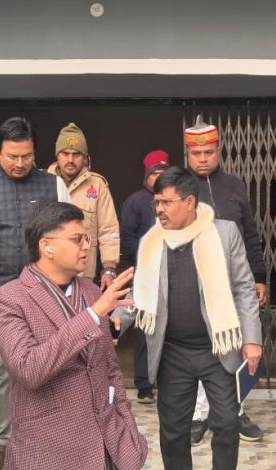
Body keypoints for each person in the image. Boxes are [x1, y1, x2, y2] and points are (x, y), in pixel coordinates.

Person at [117, 167, 262, 470]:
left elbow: (244, 289)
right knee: (173, 432)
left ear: (190, 202)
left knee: (227, 424)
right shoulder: (152, 241)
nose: (159, 209)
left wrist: (251, 339)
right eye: (157, 202)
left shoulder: (225, 233)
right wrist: (115, 321)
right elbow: (139, 290)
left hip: (218, 348)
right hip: (173, 352)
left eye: (166, 202)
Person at [0, 202, 148, 469]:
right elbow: (29, 369)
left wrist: (126, 422)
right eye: (76, 239)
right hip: (49, 446)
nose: (86, 247)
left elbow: (110, 368)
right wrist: (93, 315)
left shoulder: (91, 291)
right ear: (46, 246)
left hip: (107, 441)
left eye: (87, 239)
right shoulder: (7, 300)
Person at [0, 117, 71, 469]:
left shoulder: (54, 186)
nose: (20, 163)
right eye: (12, 156)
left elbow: (71, 238)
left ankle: (48, 433)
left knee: (50, 362)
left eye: (26, 156)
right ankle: (1, 441)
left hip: (46, 293)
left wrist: (70, 286)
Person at [184, 115, 268, 444]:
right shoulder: (179, 187)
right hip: (194, 283)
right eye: (196, 153)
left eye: (208, 152)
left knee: (235, 346)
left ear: (218, 150)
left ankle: (235, 410)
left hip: (234, 281)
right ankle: (198, 415)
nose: (203, 158)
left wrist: (258, 276)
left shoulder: (234, 185)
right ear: (188, 154)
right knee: (199, 348)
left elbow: (250, 233)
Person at [120, 149, 171, 405]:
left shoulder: (175, 200)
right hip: (146, 273)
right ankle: (144, 385)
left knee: (173, 329)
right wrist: (148, 253)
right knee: (144, 327)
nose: (158, 177)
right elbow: (126, 238)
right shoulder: (135, 201)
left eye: (163, 172)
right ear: (147, 175)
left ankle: (170, 382)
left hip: (174, 274)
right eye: (154, 173)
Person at [48, 122, 120, 289]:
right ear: (57, 156)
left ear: (86, 158)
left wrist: (109, 268)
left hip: (84, 275)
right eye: (65, 153)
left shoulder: (97, 185)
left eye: (76, 154)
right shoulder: (44, 182)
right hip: (49, 273)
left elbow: (108, 230)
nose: (70, 160)